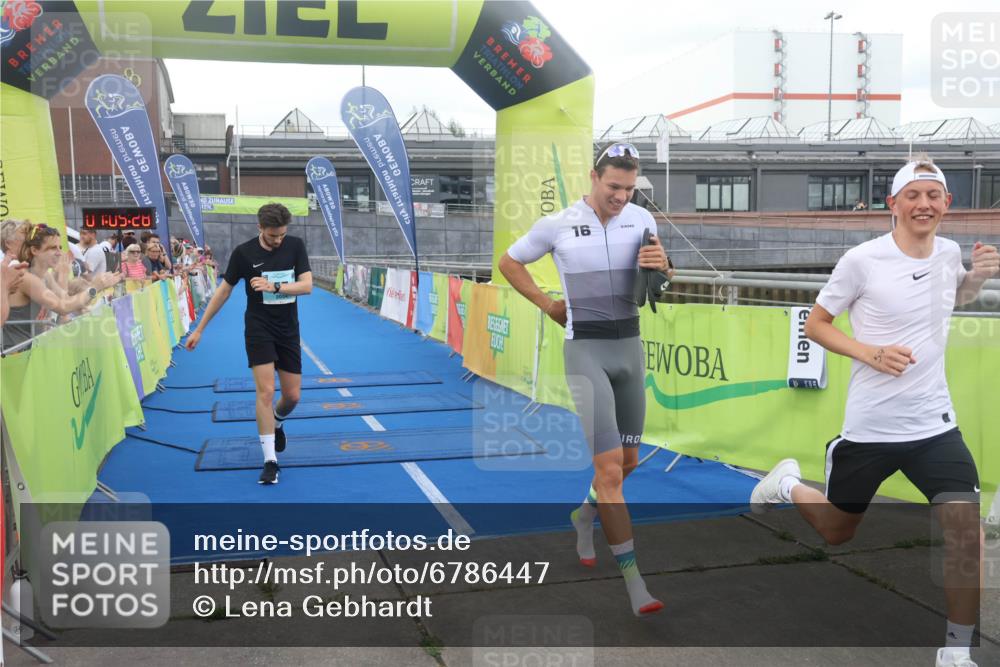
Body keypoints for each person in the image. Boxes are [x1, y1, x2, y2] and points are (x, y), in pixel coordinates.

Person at [750, 157, 999, 667]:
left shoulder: (950, 252)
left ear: (947, 204)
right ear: (893, 205)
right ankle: (788, 483)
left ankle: (956, 653)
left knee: (964, 531)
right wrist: (870, 352)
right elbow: (817, 325)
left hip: (935, 425)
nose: (924, 204)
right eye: (913, 195)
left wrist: (976, 279)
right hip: (870, 429)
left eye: (934, 195)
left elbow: (954, 300)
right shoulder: (862, 260)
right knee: (838, 532)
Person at [498, 142, 674, 617]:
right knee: (610, 470)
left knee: (629, 461)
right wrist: (548, 305)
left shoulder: (642, 220)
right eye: (614, 186)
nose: (621, 197)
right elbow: (509, 263)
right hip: (585, 351)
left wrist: (665, 270)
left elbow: (661, 281)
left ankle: (584, 513)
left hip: (630, 349)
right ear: (594, 178)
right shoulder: (557, 224)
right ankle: (636, 584)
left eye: (630, 188)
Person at [184, 203, 312, 485]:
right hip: (258, 328)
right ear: (259, 228)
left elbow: (307, 286)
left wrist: (275, 286)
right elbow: (224, 291)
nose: (277, 240)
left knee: (292, 397)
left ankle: (278, 421)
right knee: (265, 392)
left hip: (288, 330)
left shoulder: (295, 246)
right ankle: (270, 461)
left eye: (281, 235)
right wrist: (200, 329)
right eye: (272, 236)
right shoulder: (244, 253)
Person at [2, 223, 101, 351]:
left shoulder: (45, 276)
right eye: (53, 248)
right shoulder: (25, 277)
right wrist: (95, 288)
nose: (60, 253)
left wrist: (86, 308)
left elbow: (65, 299)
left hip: (32, 352)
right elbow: (63, 307)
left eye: (60, 247)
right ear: (35, 250)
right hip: (15, 356)